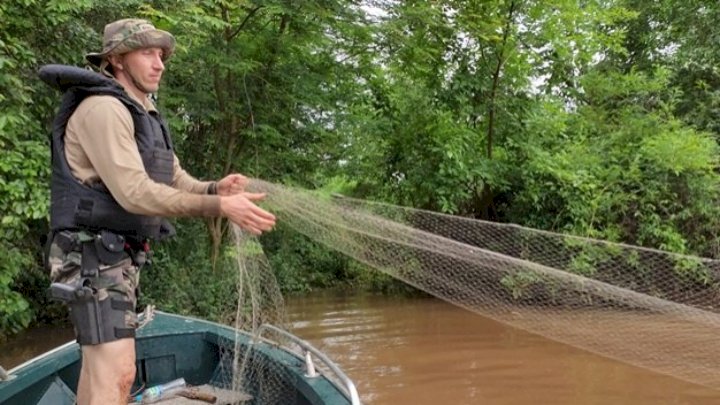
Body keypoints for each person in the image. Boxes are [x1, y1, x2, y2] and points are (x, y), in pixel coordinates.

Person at [39, 18, 276, 405]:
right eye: (147, 52)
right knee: (117, 374)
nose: (160, 63)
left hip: (115, 254)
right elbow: (134, 194)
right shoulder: (103, 108)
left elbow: (175, 177)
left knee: (102, 371)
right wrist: (218, 206)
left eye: (161, 54)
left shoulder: (142, 112)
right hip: (89, 254)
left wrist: (216, 188)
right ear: (116, 59)